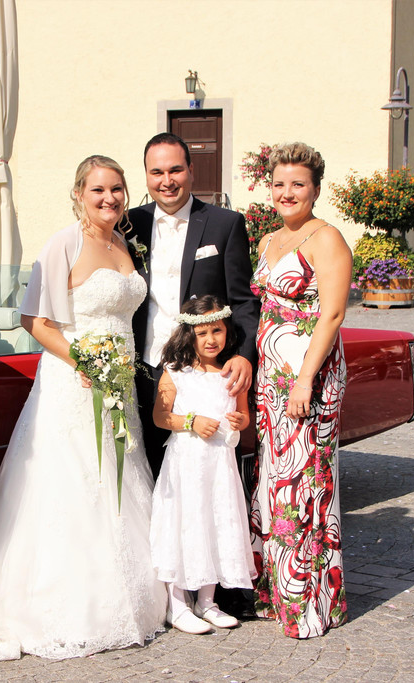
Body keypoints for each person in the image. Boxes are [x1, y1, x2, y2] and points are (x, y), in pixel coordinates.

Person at [0, 155, 166, 661]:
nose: (109, 198)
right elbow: (33, 319)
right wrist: (85, 360)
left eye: (117, 189)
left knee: (118, 477)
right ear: (79, 193)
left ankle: (133, 594)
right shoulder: (64, 243)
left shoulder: (124, 244)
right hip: (74, 383)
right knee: (73, 484)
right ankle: (62, 607)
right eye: (98, 190)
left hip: (118, 384)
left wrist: (114, 369)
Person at [249, 142, 352, 639]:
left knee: (305, 482)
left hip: (309, 377)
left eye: (298, 184)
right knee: (275, 481)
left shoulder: (326, 238)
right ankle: (278, 594)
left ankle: (310, 604)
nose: (286, 193)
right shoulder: (268, 240)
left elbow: (332, 314)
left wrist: (305, 379)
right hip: (271, 380)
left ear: (315, 189)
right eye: (279, 184)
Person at [126, 133, 261, 479]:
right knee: (146, 468)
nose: (167, 181)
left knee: (206, 469)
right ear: (146, 175)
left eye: (175, 170)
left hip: (205, 371)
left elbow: (243, 300)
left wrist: (244, 355)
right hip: (145, 366)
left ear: (191, 170)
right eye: (157, 172)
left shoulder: (225, 224)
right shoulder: (129, 224)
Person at [150, 295, 257, 635]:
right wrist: (191, 421)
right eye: (202, 333)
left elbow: (244, 414)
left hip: (219, 467)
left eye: (217, 331)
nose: (211, 339)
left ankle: (207, 601)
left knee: (216, 523)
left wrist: (240, 421)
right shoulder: (176, 372)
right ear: (189, 335)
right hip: (186, 466)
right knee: (185, 523)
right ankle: (178, 604)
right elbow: (160, 416)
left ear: (227, 331)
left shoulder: (231, 374)